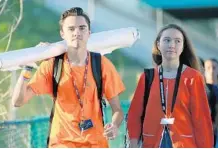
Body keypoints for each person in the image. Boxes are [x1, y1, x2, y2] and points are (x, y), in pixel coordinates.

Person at [11, 7, 125, 148]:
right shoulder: (53, 65)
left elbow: (118, 110)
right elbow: (18, 101)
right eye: (71, 29)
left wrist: (114, 126)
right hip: (61, 143)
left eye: (82, 28)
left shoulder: (101, 65)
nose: (77, 32)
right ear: (62, 34)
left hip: (96, 144)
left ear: (89, 33)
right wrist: (28, 66)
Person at [127, 24, 213, 148]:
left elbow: (202, 120)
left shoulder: (193, 78)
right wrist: (133, 143)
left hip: (184, 144)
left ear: (183, 47)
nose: (172, 45)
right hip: (152, 143)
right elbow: (134, 114)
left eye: (177, 41)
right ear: (158, 44)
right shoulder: (147, 77)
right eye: (167, 40)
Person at [204, 58, 218, 147]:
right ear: (204, 70)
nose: (211, 71)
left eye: (214, 67)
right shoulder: (199, 90)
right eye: (208, 68)